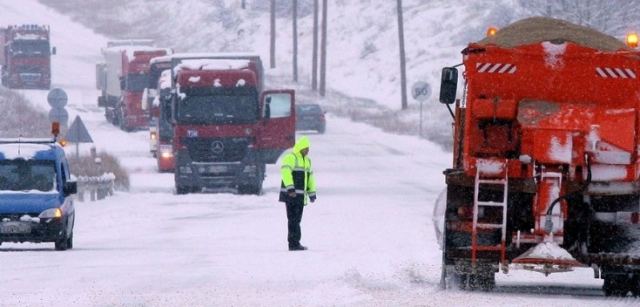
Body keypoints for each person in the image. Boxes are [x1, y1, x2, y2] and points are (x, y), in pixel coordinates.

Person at [279, 136, 316, 251]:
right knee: (293, 220)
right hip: (290, 195)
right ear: (300, 148)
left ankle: (295, 242)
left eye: (308, 148)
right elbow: (285, 173)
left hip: (300, 197)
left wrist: (312, 192)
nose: (307, 151)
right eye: (306, 148)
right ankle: (293, 244)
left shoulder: (307, 161)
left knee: (297, 220)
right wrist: (290, 188)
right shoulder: (291, 158)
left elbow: (310, 178)